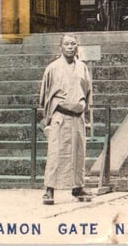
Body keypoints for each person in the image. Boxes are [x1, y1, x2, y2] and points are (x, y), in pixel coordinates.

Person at [37, 33, 92, 205]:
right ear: (61, 46)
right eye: (67, 44)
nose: (70, 47)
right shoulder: (53, 68)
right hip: (60, 115)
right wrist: (47, 117)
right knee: (56, 152)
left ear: (77, 46)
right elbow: (44, 94)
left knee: (78, 152)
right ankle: (49, 189)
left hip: (78, 116)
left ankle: (77, 187)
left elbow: (87, 90)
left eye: (73, 44)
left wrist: (85, 110)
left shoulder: (82, 67)